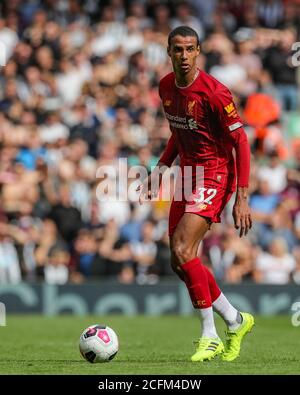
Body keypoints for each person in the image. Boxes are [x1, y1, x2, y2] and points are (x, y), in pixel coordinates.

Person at [137, 26, 254, 362]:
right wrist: (161, 167)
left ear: (198, 51)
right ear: (169, 52)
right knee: (179, 260)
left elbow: (241, 142)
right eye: (178, 49)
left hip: (215, 173)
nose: (184, 56)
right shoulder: (165, 87)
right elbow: (180, 132)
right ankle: (235, 319)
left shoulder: (215, 93)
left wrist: (241, 197)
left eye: (190, 49)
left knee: (183, 248)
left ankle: (210, 334)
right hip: (187, 175)